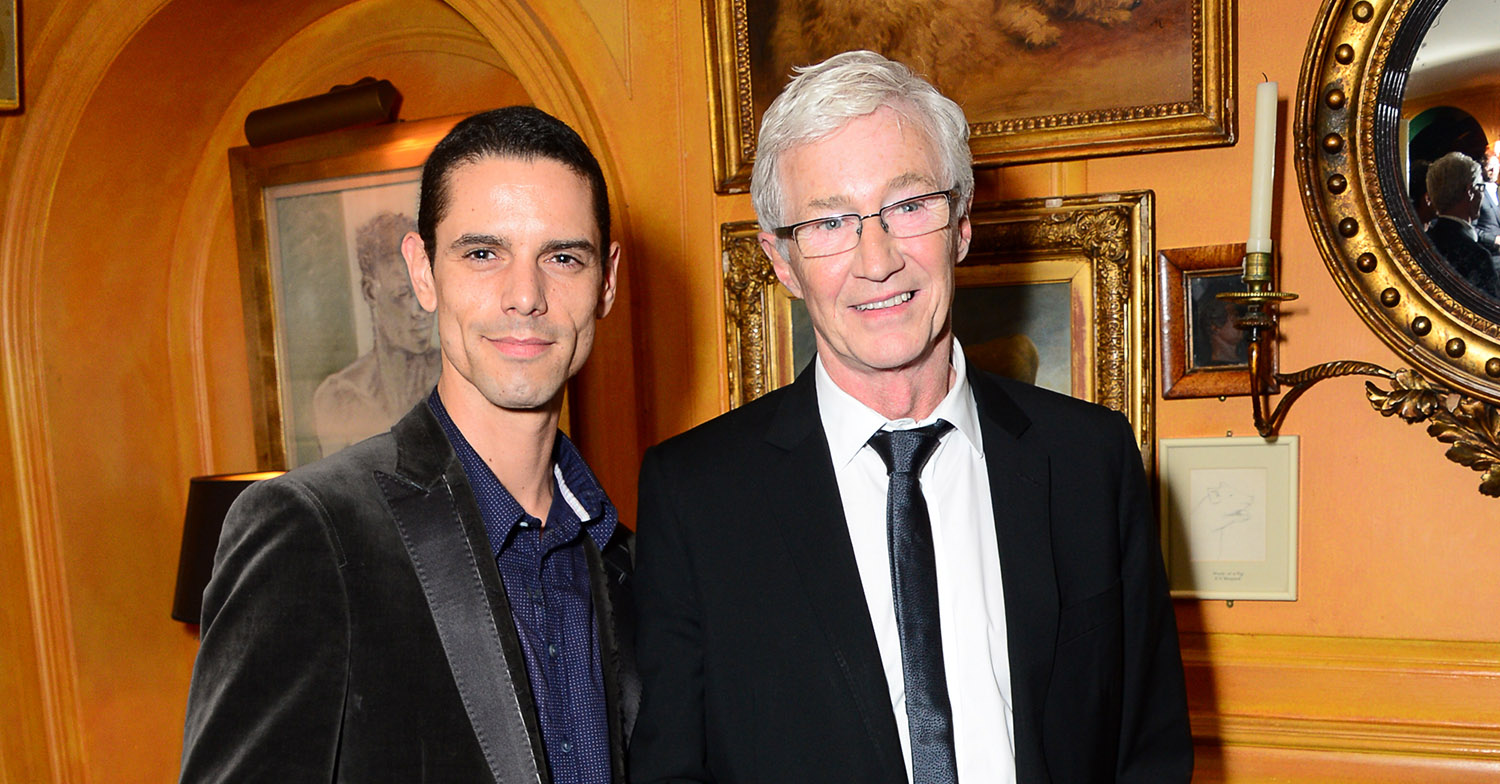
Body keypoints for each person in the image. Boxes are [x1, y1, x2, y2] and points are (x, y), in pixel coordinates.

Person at [631, 50, 1191, 784]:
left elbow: (1147, 752)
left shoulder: (1090, 458)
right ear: (782, 261)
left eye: (908, 206)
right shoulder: (696, 496)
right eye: (829, 220)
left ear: (961, 223)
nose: (877, 259)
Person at [181, 106, 636, 783]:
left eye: (562, 257)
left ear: (606, 281)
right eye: (483, 254)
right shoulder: (311, 533)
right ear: (423, 272)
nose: (525, 296)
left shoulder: (627, 558)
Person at [312, 210, 440, 457]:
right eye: (403, 294)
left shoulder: (457, 378)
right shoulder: (339, 396)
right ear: (371, 292)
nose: (422, 310)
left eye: (426, 288)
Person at [1425, 151, 1500, 298]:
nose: (1481, 195)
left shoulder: (1422, 241)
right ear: (1470, 191)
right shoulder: (1477, 258)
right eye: (1480, 188)